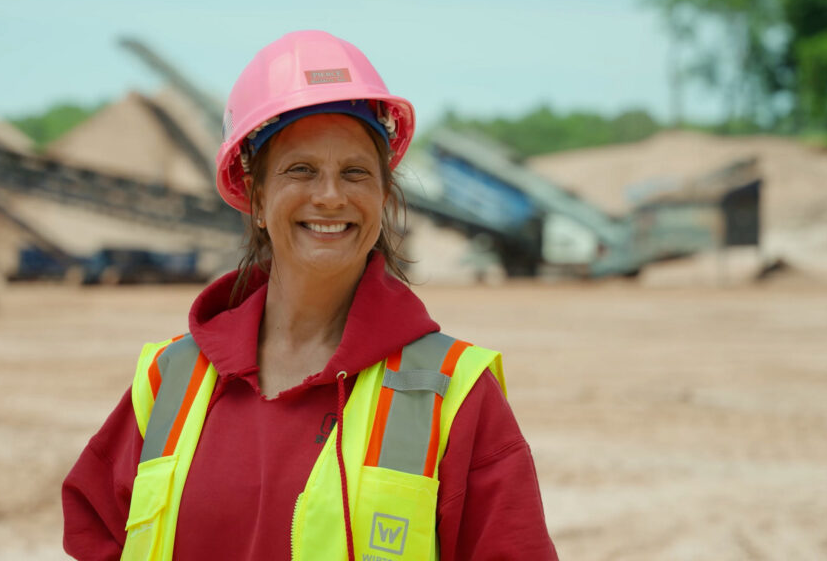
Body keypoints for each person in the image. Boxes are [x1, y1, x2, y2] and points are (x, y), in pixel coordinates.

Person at [62, 30, 557, 561]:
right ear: (255, 197)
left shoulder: (454, 395)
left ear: (383, 198)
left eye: (355, 173)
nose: (329, 196)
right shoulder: (168, 383)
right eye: (301, 170)